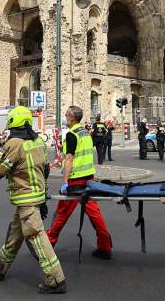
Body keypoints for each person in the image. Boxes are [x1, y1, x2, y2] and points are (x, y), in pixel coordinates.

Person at [0, 107, 66, 294]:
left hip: (25, 197)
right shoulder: (38, 141)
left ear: (13, 121)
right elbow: (45, 170)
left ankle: (55, 279)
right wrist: (43, 197)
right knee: (16, 231)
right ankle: (1, 263)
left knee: (36, 236)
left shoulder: (14, 143)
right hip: (36, 194)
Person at [47, 106, 112, 260]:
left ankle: (48, 244)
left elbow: (69, 159)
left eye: (66, 114)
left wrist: (65, 181)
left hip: (76, 179)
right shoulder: (85, 133)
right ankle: (105, 246)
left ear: (72, 117)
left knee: (62, 213)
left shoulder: (72, 134)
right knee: (95, 214)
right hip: (89, 178)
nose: (65, 116)